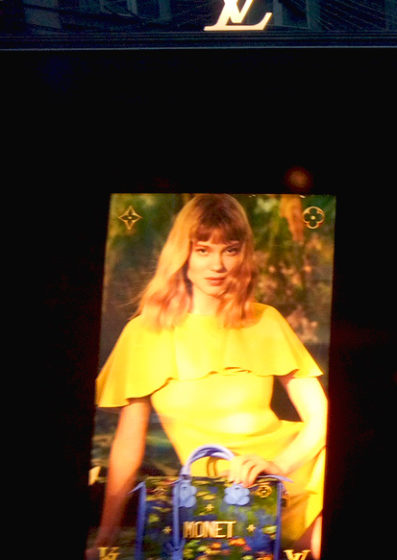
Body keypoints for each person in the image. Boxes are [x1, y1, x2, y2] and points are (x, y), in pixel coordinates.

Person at [91, 194, 327, 558]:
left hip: (297, 472)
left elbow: (323, 417)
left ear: (243, 254)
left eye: (230, 250)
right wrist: (105, 538)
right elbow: (127, 446)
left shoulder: (265, 320)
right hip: (220, 502)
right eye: (203, 250)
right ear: (182, 254)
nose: (218, 264)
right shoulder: (145, 332)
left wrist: (279, 466)